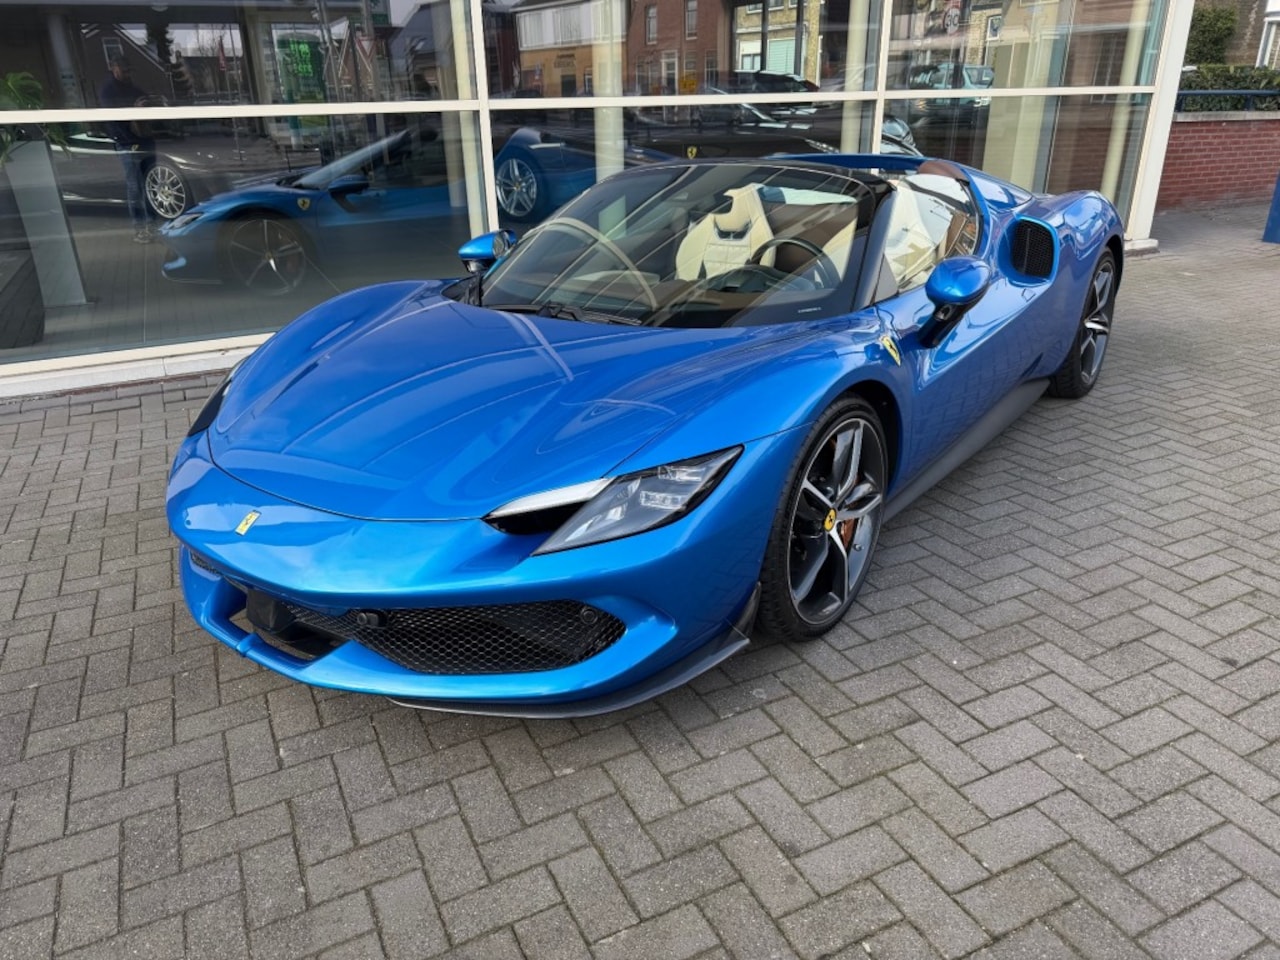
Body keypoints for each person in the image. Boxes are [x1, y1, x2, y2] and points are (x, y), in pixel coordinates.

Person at [98, 55, 157, 243]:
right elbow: (114, 119)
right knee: (135, 186)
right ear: (113, 68)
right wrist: (135, 110)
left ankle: (152, 224)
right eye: (123, 70)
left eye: (128, 70)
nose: (126, 74)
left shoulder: (134, 89)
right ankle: (140, 228)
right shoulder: (108, 91)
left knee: (149, 184)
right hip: (127, 142)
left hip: (144, 140)